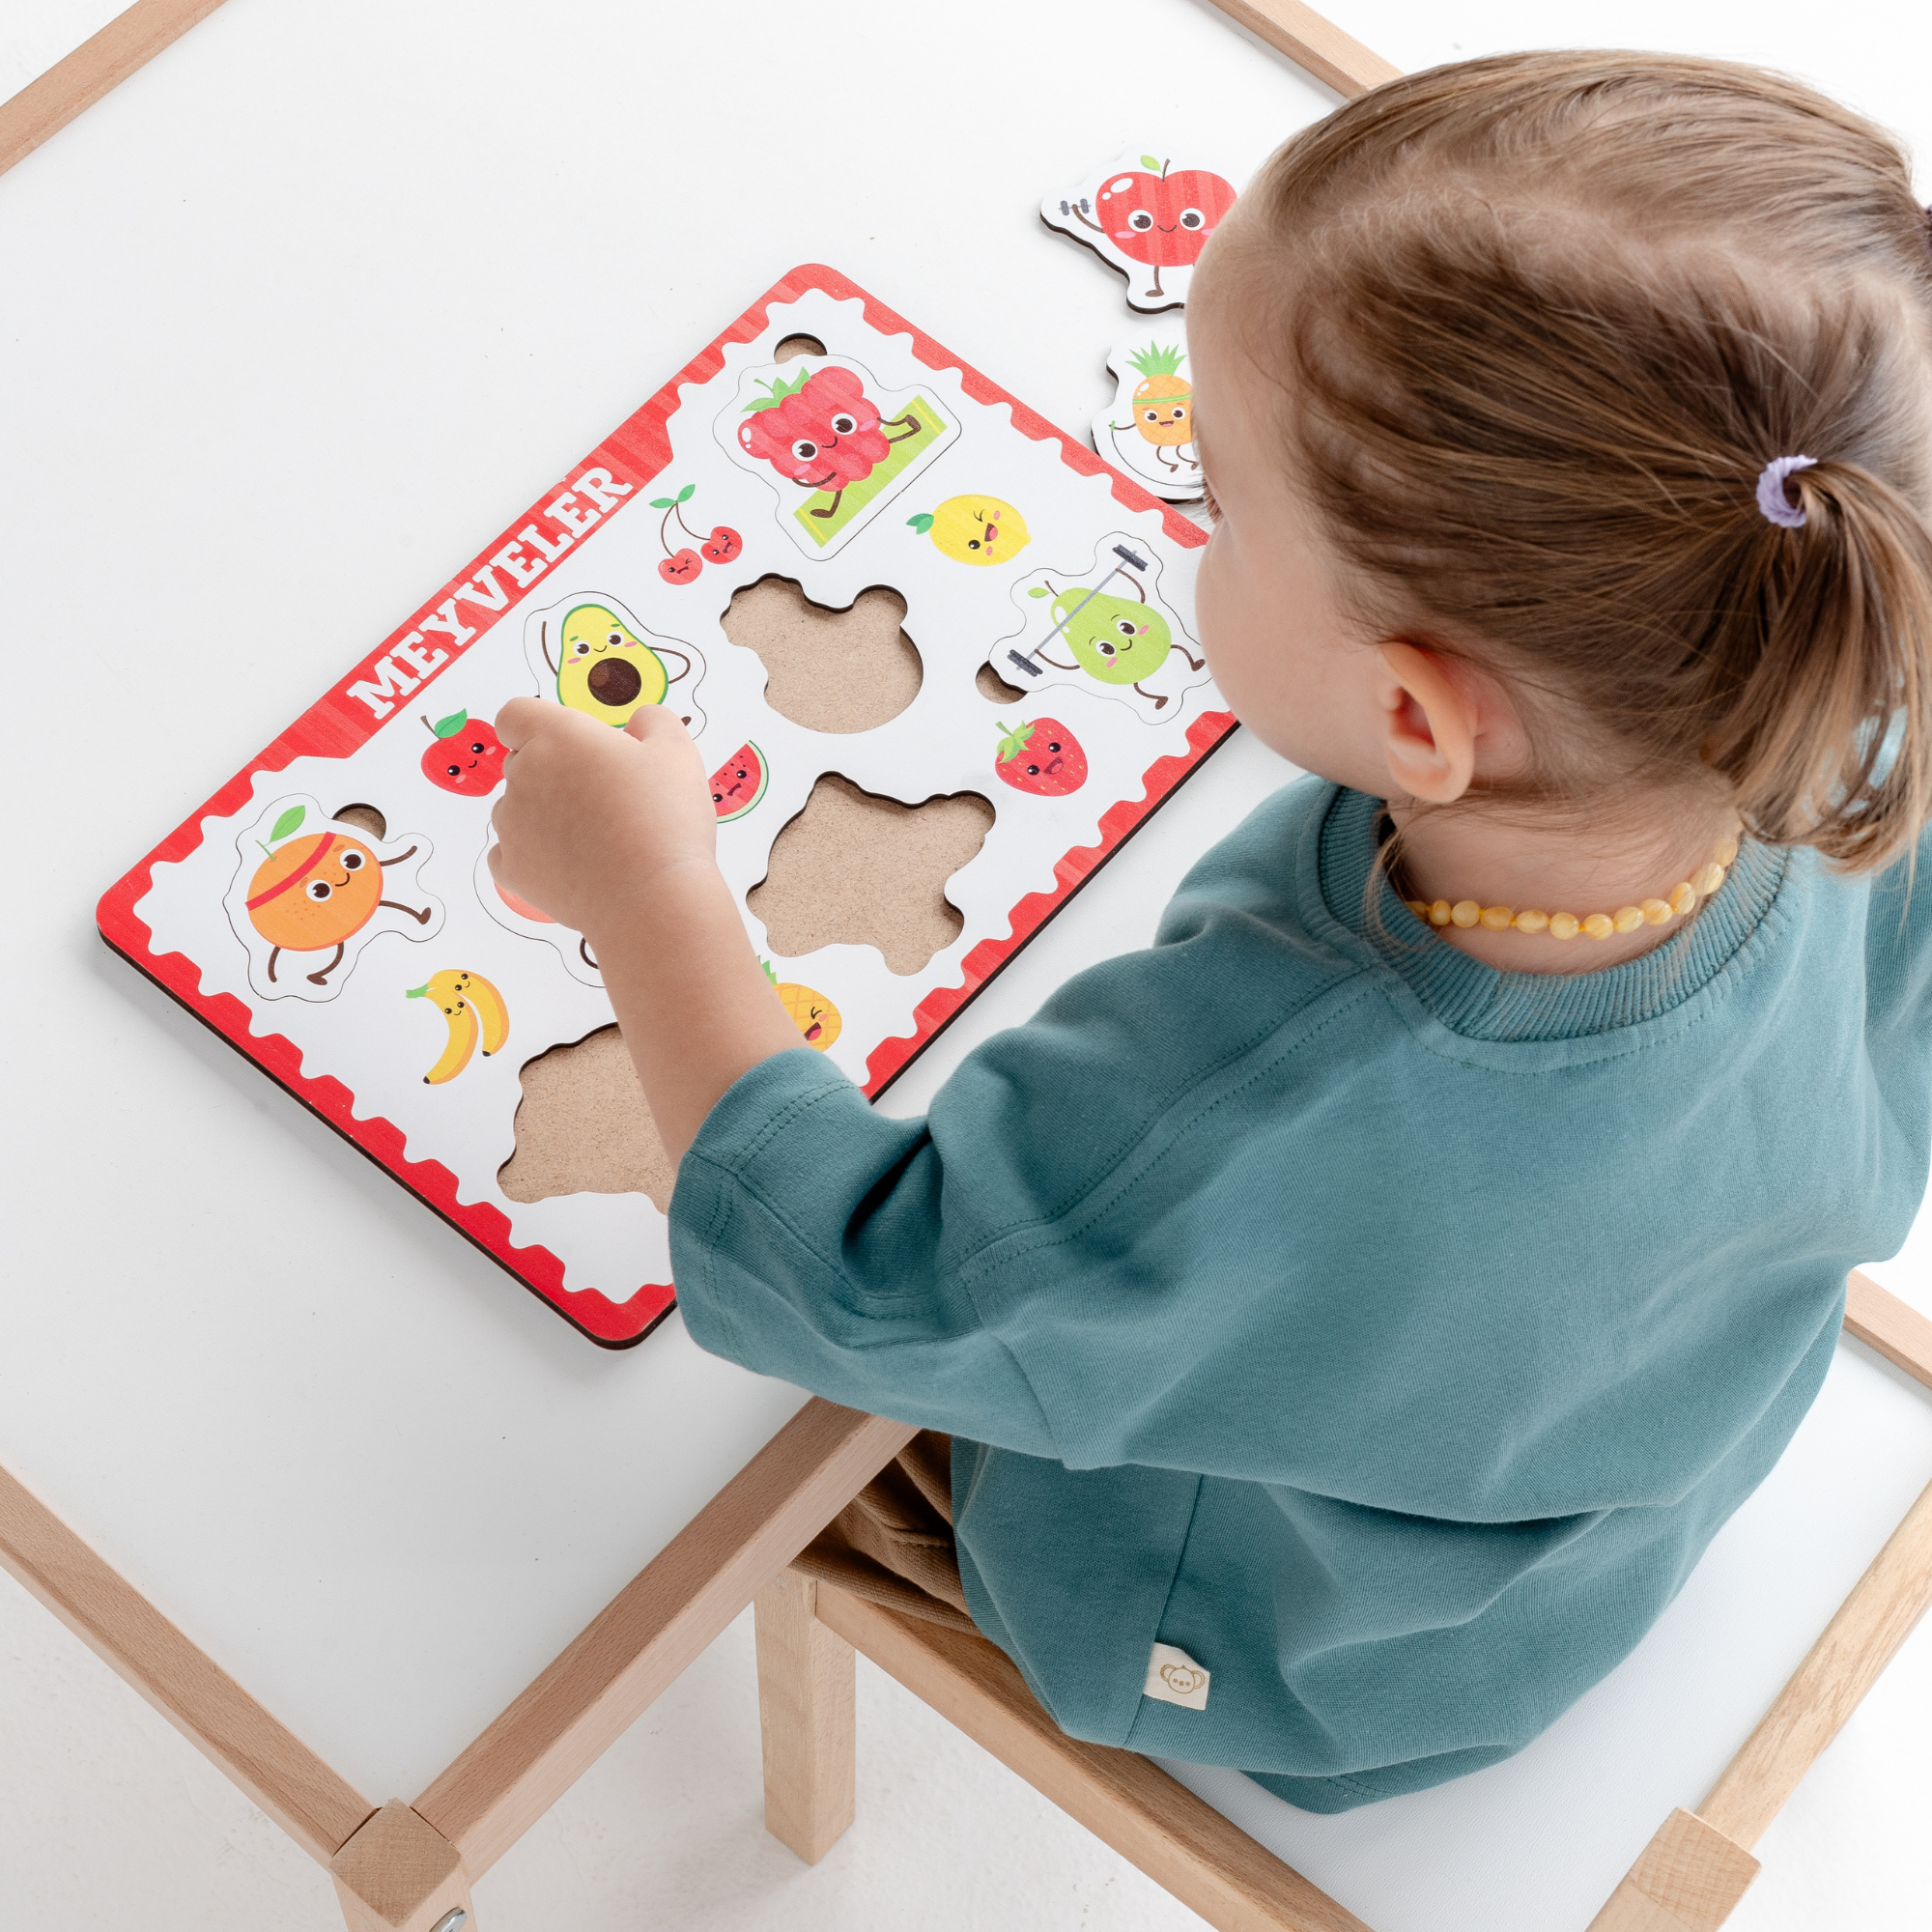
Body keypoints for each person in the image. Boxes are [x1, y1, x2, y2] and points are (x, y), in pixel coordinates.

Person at [486, 51, 1932, 1809]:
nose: (1183, 513)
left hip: (1292, 1646)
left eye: (1219, 503)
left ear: (1417, 721)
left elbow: (861, 1283)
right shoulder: (1844, 732)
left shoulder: (1261, 1108)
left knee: (662, 1488)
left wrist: (646, 889)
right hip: (1614, 1491)